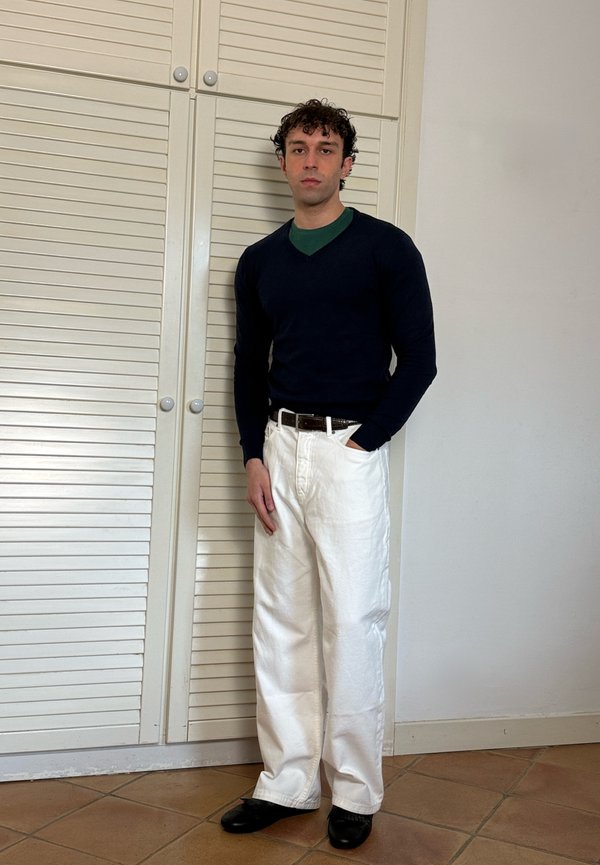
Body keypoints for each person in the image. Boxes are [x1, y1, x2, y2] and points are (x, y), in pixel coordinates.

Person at [221, 99, 436, 849]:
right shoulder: (260, 261)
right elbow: (250, 365)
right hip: (279, 450)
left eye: (326, 147)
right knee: (281, 621)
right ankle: (286, 780)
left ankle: (353, 789)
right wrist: (253, 451)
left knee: (351, 620)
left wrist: (365, 442)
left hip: (348, 451)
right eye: (299, 147)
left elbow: (421, 359)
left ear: (347, 163)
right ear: (282, 161)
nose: (311, 159)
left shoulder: (387, 249)